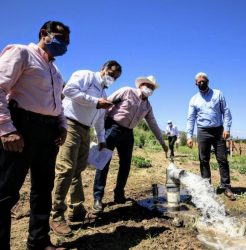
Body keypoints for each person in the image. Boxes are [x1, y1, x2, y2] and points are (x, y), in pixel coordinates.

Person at [0, 21, 70, 250]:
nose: (64, 46)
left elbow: (58, 103)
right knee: (5, 192)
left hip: (48, 133)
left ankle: (38, 241)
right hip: (22, 127)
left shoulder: (55, 71)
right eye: (60, 39)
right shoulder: (22, 53)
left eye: (67, 43)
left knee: (43, 189)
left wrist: (61, 126)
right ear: (44, 34)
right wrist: (7, 128)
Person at [49, 60, 122, 236]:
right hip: (70, 124)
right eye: (111, 73)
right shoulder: (86, 76)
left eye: (116, 77)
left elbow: (98, 119)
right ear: (103, 69)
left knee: (77, 170)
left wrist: (102, 139)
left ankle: (77, 210)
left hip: (85, 130)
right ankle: (56, 215)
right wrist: (96, 101)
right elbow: (68, 91)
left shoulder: (104, 92)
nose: (112, 78)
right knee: (66, 168)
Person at [92, 75, 168, 212]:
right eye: (147, 85)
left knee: (125, 165)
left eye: (152, 88)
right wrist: (99, 128)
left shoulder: (147, 106)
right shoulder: (127, 91)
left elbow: (153, 124)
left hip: (128, 133)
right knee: (103, 163)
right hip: (112, 127)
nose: (149, 89)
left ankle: (119, 195)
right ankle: (98, 198)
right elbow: (106, 103)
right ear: (140, 85)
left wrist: (162, 142)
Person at [186, 72, 235, 201]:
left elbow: (226, 111)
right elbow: (191, 119)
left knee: (222, 159)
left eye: (204, 81)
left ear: (208, 81)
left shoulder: (218, 94)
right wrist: (189, 136)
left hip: (218, 131)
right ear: (196, 83)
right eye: (199, 81)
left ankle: (226, 186)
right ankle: (206, 187)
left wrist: (227, 128)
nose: (201, 83)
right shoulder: (194, 99)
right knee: (203, 160)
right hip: (203, 131)